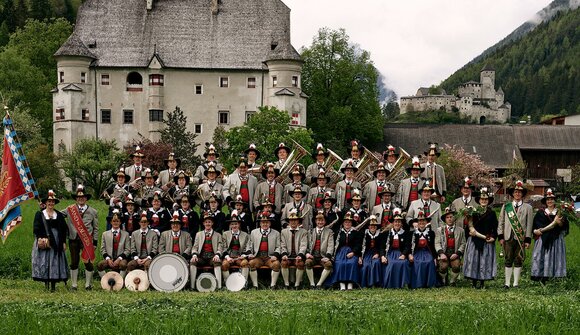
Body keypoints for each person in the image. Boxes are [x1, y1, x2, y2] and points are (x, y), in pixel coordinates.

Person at [498, 180, 533, 289]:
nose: (517, 194)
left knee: (518, 259)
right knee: (508, 259)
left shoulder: (528, 208)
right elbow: (501, 222)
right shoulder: (506, 206)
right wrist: (500, 236)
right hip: (508, 237)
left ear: (522, 194)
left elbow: (529, 224)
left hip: (520, 237)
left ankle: (516, 283)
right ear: (512, 193)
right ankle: (507, 283)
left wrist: (527, 240)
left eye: (520, 192)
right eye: (515, 192)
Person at [32, 190, 68, 292]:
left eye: (52, 202)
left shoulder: (59, 215)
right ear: (45, 203)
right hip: (45, 240)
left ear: (54, 203)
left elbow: (63, 229)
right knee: (45, 261)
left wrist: (63, 242)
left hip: (57, 241)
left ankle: (53, 285)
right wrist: (41, 238)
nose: (51, 203)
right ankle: (46, 284)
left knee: (55, 262)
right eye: (49, 201)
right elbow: (36, 228)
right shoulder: (40, 214)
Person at [65, 184, 99, 291]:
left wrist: (95, 243)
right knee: (74, 262)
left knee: (88, 262)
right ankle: (74, 285)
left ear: (86, 199)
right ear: (76, 198)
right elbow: (56, 215)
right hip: (73, 239)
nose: (81, 199)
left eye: (83, 197)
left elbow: (96, 228)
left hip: (87, 241)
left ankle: (88, 285)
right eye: (79, 197)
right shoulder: (69, 209)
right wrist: (44, 208)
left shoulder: (93, 211)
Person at [531, 188, 569, 283]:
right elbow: (536, 225)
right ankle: (541, 275)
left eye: (552, 199)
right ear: (545, 201)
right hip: (544, 238)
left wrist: (559, 223)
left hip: (556, 239)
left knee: (556, 256)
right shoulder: (541, 213)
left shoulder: (560, 212)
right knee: (542, 256)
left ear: (554, 200)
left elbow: (564, 226)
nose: (550, 201)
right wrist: (538, 230)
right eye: (548, 199)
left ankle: (556, 275)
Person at [463, 187, 498, 289]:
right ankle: (474, 282)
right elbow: (468, 226)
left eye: (486, 200)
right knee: (474, 261)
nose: (484, 201)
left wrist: (494, 237)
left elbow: (495, 227)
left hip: (486, 240)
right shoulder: (473, 212)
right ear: (479, 201)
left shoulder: (492, 213)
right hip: (474, 239)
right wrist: (470, 232)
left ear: (488, 201)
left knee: (484, 261)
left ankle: (482, 282)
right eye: (482, 200)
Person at [247, 213, 282, 289]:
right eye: (263, 222)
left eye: (267, 222)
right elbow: (249, 245)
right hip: (258, 256)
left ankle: (273, 285)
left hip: (270, 257)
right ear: (260, 223)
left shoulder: (276, 233)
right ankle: (255, 285)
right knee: (251, 263)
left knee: (276, 264)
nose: (265, 224)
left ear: (270, 223)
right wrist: (250, 254)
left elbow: (279, 247)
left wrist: (275, 255)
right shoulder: (254, 232)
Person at [190, 212, 224, 290]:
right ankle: (192, 286)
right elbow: (195, 246)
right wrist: (194, 255)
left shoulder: (218, 235)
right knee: (193, 261)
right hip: (201, 257)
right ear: (203, 223)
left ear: (212, 223)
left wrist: (217, 255)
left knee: (217, 262)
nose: (207, 224)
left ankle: (219, 286)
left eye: (209, 222)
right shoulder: (198, 234)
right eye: (206, 222)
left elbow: (220, 247)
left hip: (212, 256)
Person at [330, 211, 362, 290]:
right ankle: (342, 283)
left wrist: (353, 253)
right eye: (346, 222)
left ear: (351, 223)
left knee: (352, 263)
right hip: (341, 252)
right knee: (340, 263)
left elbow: (358, 245)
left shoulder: (355, 233)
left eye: (349, 222)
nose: (347, 224)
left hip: (352, 251)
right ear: (343, 223)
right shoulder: (339, 233)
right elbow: (335, 244)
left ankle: (350, 283)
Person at [435, 208, 466, 286]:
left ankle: (453, 281)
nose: (449, 219)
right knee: (443, 267)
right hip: (444, 253)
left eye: (451, 217)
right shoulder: (439, 230)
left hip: (454, 253)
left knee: (456, 266)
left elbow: (463, 243)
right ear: (445, 219)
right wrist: (441, 253)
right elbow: (437, 243)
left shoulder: (461, 230)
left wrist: (457, 253)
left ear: (454, 218)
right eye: (447, 217)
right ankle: (443, 280)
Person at [381, 208, 411, 289]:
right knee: (392, 264)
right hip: (390, 253)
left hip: (400, 253)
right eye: (396, 221)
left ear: (401, 223)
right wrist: (383, 256)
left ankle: (404, 284)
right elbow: (382, 247)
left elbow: (407, 246)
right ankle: (391, 284)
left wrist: (404, 254)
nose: (397, 223)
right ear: (393, 223)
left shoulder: (406, 233)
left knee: (404, 263)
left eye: (399, 222)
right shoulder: (387, 233)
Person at [305, 211, 334, 289]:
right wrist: (307, 253)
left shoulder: (329, 232)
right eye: (318, 220)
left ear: (325, 221)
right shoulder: (310, 232)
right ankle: (312, 284)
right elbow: (306, 244)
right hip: (312, 256)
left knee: (328, 264)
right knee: (308, 263)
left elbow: (331, 245)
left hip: (323, 256)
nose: (320, 222)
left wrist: (328, 256)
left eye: (322, 220)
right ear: (315, 221)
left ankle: (319, 284)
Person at [97, 210, 130, 279]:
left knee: (123, 264)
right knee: (100, 265)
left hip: (121, 258)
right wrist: (108, 259)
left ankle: (120, 281)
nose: (115, 223)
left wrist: (119, 258)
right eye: (114, 221)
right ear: (111, 222)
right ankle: (106, 280)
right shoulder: (105, 234)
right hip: (110, 258)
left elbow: (127, 249)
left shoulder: (125, 234)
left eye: (117, 221)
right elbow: (102, 249)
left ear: (120, 222)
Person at [280, 209, 309, 289]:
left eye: (295, 220)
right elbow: (283, 245)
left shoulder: (303, 232)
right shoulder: (283, 232)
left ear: (298, 222)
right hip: (288, 255)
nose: (293, 222)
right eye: (291, 220)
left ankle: (297, 284)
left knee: (300, 264)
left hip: (298, 255)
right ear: (288, 222)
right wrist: (284, 254)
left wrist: (300, 255)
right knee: (284, 263)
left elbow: (303, 245)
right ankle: (286, 284)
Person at [221, 210, 251, 285]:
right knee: (224, 265)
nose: (234, 226)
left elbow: (246, 247)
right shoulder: (225, 234)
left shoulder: (245, 235)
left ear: (239, 225)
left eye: (236, 224)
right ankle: (228, 283)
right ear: (230, 225)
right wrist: (227, 257)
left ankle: (244, 283)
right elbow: (223, 247)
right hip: (229, 256)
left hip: (239, 256)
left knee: (245, 263)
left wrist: (243, 255)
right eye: (232, 224)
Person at [409, 211, 437, 289]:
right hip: (416, 252)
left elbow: (432, 246)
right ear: (417, 222)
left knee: (429, 261)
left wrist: (435, 257)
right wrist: (409, 254)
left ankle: (429, 283)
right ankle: (418, 283)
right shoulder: (412, 233)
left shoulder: (431, 233)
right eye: (419, 221)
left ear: (426, 222)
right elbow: (409, 246)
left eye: (423, 220)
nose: (421, 222)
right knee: (418, 262)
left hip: (427, 252)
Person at [359, 215, 383, 288]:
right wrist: (360, 256)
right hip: (367, 253)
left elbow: (382, 247)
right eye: (371, 226)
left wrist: (378, 254)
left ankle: (375, 283)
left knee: (376, 263)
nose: (373, 227)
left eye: (374, 226)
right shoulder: (364, 235)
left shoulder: (380, 235)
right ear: (368, 227)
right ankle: (366, 284)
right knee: (366, 265)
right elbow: (361, 246)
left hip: (376, 253)